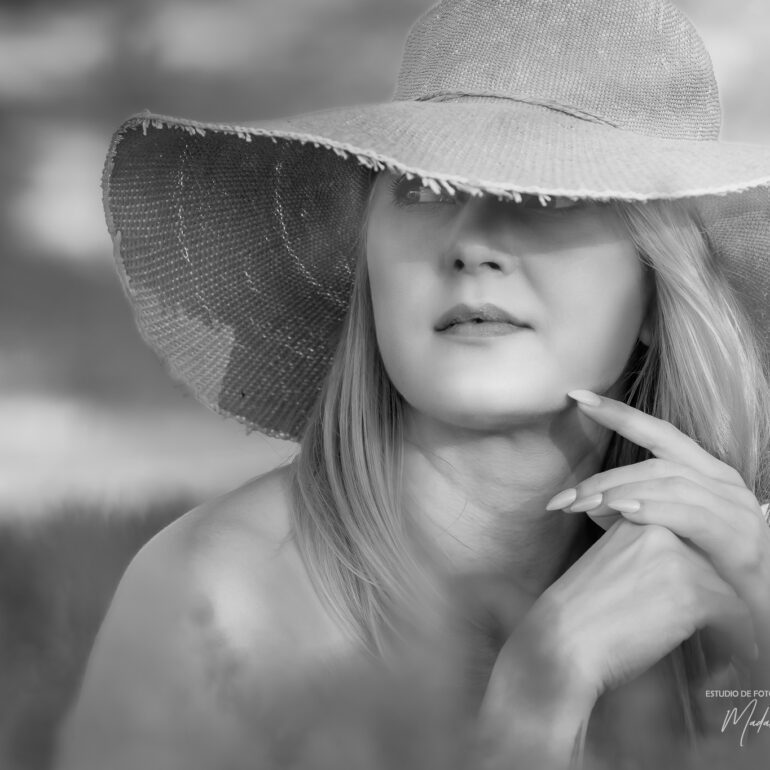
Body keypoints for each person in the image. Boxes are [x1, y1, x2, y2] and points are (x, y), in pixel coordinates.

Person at [56, 0, 770, 768]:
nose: (471, 244)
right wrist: (536, 698)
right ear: (370, 262)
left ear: (658, 298)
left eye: (552, 196)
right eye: (426, 188)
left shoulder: (727, 580)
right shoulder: (216, 603)